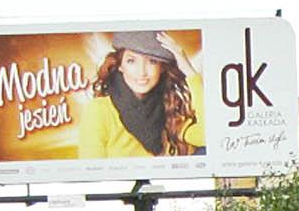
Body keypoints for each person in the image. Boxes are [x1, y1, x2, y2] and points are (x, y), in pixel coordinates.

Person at [74, 29, 205, 159]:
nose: (142, 72)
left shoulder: (168, 108)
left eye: (152, 61)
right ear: (120, 65)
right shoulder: (100, 110)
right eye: (131, 61)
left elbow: (208, 137)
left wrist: (190, 71)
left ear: (162, 68)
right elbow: (91, 170)